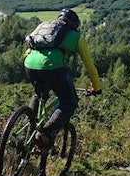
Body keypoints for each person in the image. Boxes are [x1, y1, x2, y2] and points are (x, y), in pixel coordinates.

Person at [24, 8, 101, 152]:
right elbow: (90, 67)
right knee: (69, 102)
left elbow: (29, 50)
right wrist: (96, 88)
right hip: (54, 67)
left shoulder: (46, 29)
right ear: (74, 25)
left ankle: (27, 130)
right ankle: (45, 134)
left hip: (29, 64)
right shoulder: (75, 37)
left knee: (39, 94)